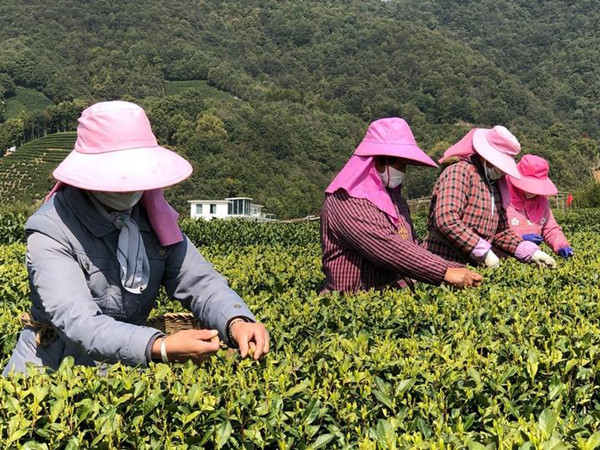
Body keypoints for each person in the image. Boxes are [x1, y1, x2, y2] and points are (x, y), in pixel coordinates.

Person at [3, 101, 269, 375]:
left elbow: (200, 282)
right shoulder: (51, 230)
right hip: (49, 375)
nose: (128, 182)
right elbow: (79, 323)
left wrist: (236, 320)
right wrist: (160, 347)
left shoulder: (154, 217)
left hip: (121, 374)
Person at [320, 117, 483, 294]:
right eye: (401, 163)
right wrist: (445, 272)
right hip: (351, 307)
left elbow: (412, 247)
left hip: (390, 301)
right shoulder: (346, 200)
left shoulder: (394, 200)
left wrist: (457, 268)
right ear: (382, 159)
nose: (403, 170)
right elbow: (387, 246)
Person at [424, 125, 557, 269]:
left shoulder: (494, 185)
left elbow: (501, 232)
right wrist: (481, 249)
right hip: (443, 263)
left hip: (470, 268)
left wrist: (529, 252)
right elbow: (446, 219)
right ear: (485, 156)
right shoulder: (460, 171)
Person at [506, 154, 573, 259]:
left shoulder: (542, 200)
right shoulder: (503, 194)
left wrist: (562, 246)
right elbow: (495, 231)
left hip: (533, 258)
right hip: (504, 258)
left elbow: (549, 228)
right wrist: (519, 239)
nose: (531, 191)